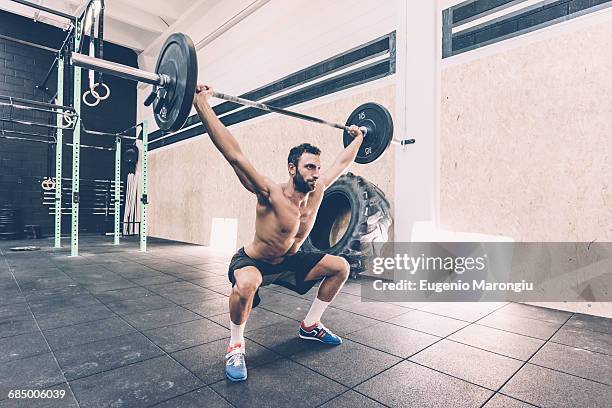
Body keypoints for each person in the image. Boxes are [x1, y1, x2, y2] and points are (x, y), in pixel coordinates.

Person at [193, 84, 364, 382]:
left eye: (317, 167)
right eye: (309, 167)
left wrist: (360, 139)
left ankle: (311, 325)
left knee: (341, 267)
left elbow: (342, 162)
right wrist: (201, 104)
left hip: (292, 260)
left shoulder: (318, 190)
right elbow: (234, 154)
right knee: (246, 285)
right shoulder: (269, 192)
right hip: (255, 261)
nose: (315, 172)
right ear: (292, 168)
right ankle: (235, 345)